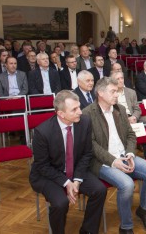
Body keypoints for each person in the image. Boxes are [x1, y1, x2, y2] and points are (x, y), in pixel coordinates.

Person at [82, 77, 146, 234]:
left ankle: (143, 210)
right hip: (102, 162)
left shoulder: (120, 109)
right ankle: (126, 226)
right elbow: (91, 145)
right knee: (127, 185)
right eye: (113, 91)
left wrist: (130, 153)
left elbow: (131, 135)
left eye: (117, 91)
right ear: (100, 93)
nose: (117, 95)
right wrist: (114, 161)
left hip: (125, 155)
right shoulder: (87, 114)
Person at [29, 90, 107, 234]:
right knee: (60, 204)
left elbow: (86, 154)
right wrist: (67, 182)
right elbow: (43, 166)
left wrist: (77, 180)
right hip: (49, 174)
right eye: (74, 109)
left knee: (99, 190)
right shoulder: (42, 132)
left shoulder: (84, 122)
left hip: (75, 169)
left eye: (79, 107)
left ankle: (88, 230)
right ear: (61, 114)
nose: (80, 112)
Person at [111, 71, 146, 158]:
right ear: (112, 81)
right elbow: (112, 112)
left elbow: (137, 108)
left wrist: (134, 117)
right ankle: (129, 156)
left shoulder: (131, 92)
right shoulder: (111, 94)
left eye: (122, 78)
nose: (121, 81)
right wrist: (127, 119)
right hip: (120, 120)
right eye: (117, 79)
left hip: (133, 117)